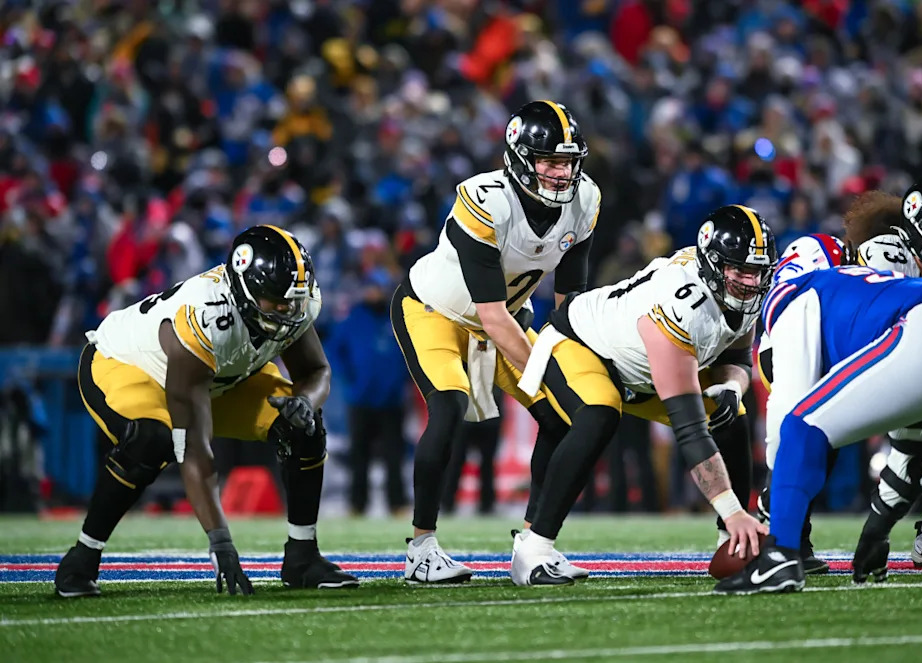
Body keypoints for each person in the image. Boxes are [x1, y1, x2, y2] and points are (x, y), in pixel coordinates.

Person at [54, 225, 358, 597]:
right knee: (152, 441)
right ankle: (82, 558)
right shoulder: (205, 317)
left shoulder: (290, 300)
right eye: (277, 303)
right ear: (245, 291)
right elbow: (194, 449)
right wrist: (220, 542)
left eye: (292, 303)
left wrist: (305, 403)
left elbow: (315, 371)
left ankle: (302, 557)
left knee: (303, 426)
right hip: (128, 365)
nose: (287, 312)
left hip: (220, 375)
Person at [391, 100, 599, 583]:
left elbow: (569, 303)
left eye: (568, 161)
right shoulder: (486, 199)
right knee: (448, 409)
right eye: (549, 160)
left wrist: (576, 362)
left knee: (564, 416)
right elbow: (490, 313)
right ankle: (421, 548)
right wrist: (552, 371)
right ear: (520, 157)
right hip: (434, 311)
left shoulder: (585, 201)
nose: (560, 172)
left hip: (503, 319)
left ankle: (534, 543)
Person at [512, 205, 775, 585]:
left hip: (638, 372)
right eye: (741, 271)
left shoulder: (735, 292)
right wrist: (735, 510)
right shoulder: (682, 306)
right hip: (581, 343)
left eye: (758, 272)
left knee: (729, 413)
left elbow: (736, 357)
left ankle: (730, 544)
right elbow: (689, 430)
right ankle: (533, 550)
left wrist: (733, 386)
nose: (751, 282)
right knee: (599, 414)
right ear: (713, 265)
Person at [756, 177, 922, 581]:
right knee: (812, 427)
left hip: (887, 350)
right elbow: (887, 340)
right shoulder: (883, 256)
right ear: (919, 231)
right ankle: (783, 525)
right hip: (832, 342)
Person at [715, 265, 922, 594]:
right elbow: (915, 440)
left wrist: (773, 513)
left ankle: (779, 560)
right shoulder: (866, 291)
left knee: (801, 428)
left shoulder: (792, 298)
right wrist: (877, 529)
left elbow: (790, 427)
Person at [326, 267, 410, 516]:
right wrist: (350, 378)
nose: (375, 293)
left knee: (393, 455)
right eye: (372, 288)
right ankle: (357, 503)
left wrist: (402, 379)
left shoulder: (397, 317)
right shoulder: (353, 318)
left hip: (392, 399)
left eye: (379, 288)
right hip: (361, 398)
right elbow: (333, 350)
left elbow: (413, 352)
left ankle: (397, 503)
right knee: (359, 454)